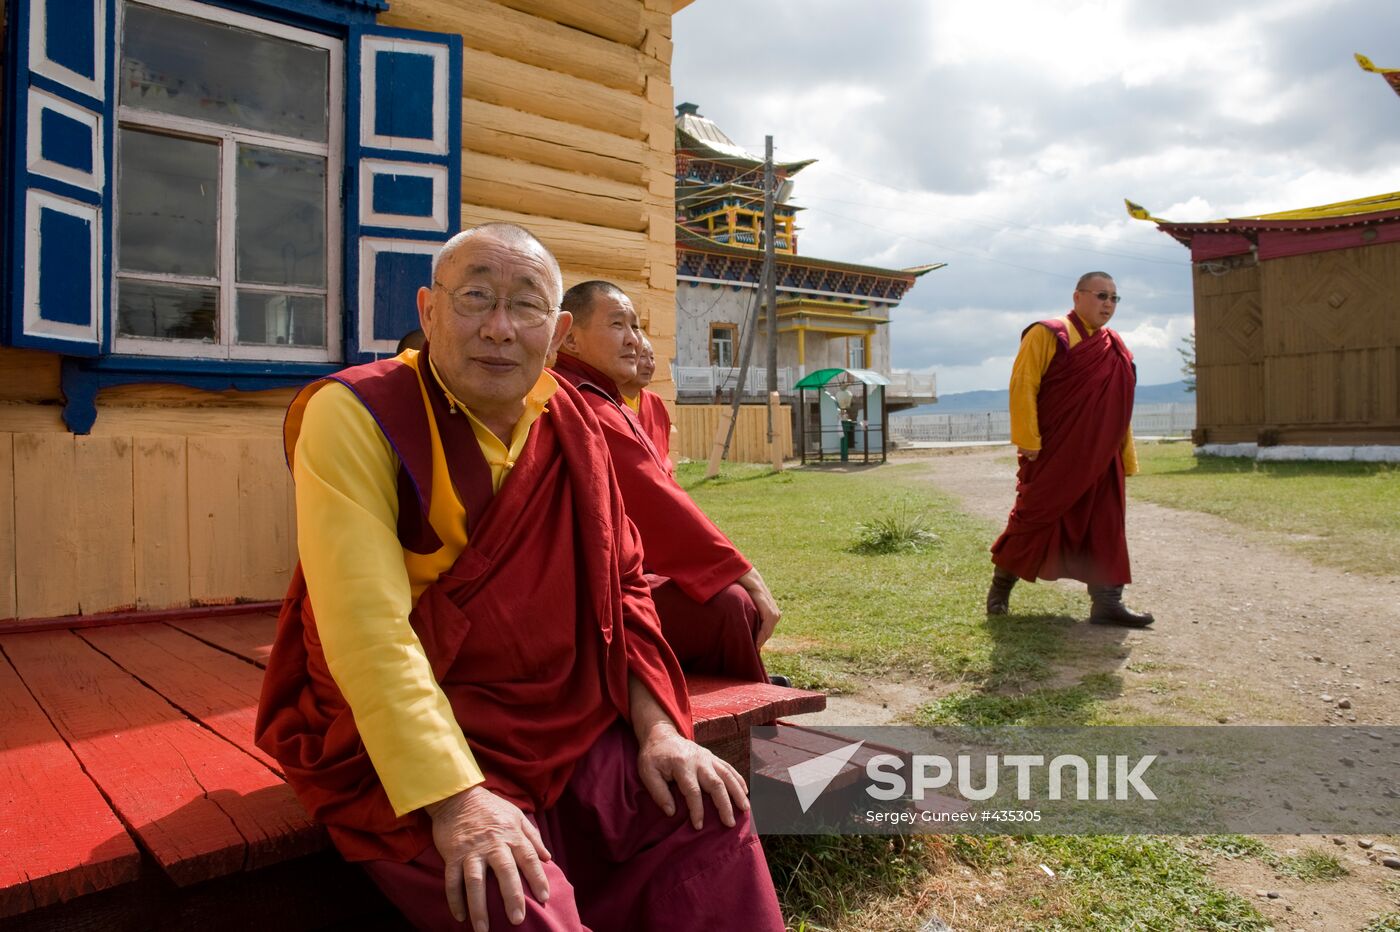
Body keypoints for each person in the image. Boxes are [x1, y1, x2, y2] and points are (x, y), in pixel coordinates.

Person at [255, 224, 784, 932]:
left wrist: (662, 730)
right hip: (417, 734)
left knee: (705, 817)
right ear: (429, 311)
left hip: (563, 714)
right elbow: (366, 629)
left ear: (557, 329)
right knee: (507, 897)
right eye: (475, 299)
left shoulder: (576, 421)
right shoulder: (359, 414)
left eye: (526, 306)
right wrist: (455, 800)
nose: (498, 329)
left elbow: (622, 586)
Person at [551, 281, 782, 684]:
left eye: (636, 327)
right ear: (569, 337)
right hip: (580, 597)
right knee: (732, 605)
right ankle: (746, 724)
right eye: (618, 324)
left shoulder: (608, 399)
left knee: (723, 601)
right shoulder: (584, 403)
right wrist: (743, 572)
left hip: (605, 573)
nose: (634, 341)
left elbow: (660, 485)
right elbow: (655, 503)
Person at [985, 271, 1155, 627]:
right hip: (1056, 451)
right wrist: (1028, 440)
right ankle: (1000, 589)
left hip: (1103, 456)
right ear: (1078, 297)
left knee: (1106, 525)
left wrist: (1125, 454)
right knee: (1033, 519)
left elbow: (1119, 406)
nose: (1108, 304)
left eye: (1114, 298)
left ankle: (1107, 601)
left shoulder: (1116, 346)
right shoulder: (1048, 334)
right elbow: (1023, 386)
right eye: (1101, 295)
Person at [617, 334, 676, 475]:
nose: (649, 364)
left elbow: (663, 456)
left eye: (652, 358)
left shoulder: (656, 403)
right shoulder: (606, 403)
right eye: (642, 356)